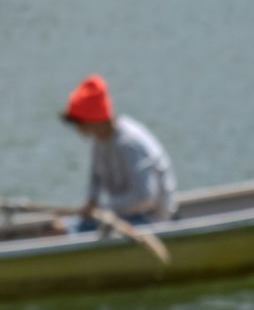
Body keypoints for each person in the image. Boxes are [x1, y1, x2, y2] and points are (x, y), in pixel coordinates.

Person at [61, 73, 176, 235]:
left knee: (76, 232)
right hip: (121, 214)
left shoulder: (129, 143)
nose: (77, 128)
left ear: (92, 119)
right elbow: (96, 178)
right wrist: (91, 201)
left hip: (149, 219)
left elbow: (144, 197)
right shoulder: (99, 140)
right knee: (57, 229)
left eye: (78, 122)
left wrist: (105, 208)